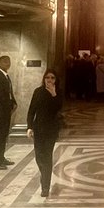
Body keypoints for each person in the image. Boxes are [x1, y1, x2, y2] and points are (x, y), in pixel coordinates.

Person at [26, 68, 63, 197]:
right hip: (38, 128)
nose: (50, 80)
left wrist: (53, 94)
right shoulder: (38, 92)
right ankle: (44, 174)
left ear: (56, 80)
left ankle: (45, 187)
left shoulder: (58, 93)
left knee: (47, 156)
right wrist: (29, 127)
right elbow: (31, 110)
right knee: (39, 156)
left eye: (53, 78)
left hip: (51, 130)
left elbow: (58, 107)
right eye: (48, 77)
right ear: (44, 79)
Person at [0, 54, 17, 168]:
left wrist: (14, 103)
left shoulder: (6, 76)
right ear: (0, 63)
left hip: (6, 111)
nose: (8, 63)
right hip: (1, 111)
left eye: (9, 61)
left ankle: (1, 157)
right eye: (5, 61)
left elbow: (9, 93)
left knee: (3, 135)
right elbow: (0, 96)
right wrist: (9, 105)